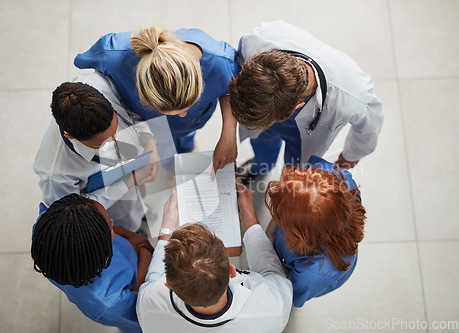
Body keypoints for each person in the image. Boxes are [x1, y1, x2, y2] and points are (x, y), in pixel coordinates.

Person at [74, 24, 241, 176]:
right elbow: (97, 78)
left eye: (189, 105)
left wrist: (229, 132)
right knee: (165, 150)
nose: (182, 115)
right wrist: (143, 136)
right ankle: (170, 166)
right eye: (171, 111)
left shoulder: (223, 63)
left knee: (186, 136)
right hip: (150, 123)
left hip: (194, 122)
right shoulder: (112, 56)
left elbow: (232, 90)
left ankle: (187, 145)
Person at [228, 20, 383, 182]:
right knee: (262, 143)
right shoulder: (257, 41)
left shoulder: (354, 95)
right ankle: (259, 166)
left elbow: (369, 130)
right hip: (265, 112)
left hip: (301, 137)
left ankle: (287, 186)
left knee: (294, 172)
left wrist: (348, 158)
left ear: (298, 106)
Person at [136, 183, 293, 332]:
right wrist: (249, 217)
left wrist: (167, 229)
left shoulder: (148, 306)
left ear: (168, 283)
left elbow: (154, 277)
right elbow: (273, 273)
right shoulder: (272, 308)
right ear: (232, 271)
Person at [33, 71, 159, 231]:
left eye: (115, 129)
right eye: (102, 142)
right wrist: (129, 182)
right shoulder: (56, 175)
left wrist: (149, 139)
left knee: (137, 203)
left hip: (134, 176)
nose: (115, 139)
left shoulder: (97, 83)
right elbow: (76, 212)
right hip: (113, 210)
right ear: (71, 137)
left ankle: (141, 213)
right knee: (127, 225)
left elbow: (133, 108)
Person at [31, 193, 154, 333]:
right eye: (110, 226)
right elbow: (143, 302)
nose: (113, 221)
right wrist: (144, 248)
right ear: (97, 250)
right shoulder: (108, 302)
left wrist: (131, 237)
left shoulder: (47, 232)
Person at [265, 155, 366, 307]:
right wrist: (271, 234)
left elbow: (290, 289)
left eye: (280, 217)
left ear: (303, 236)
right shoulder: (332, 176)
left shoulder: (314, 274)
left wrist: (268, 253)